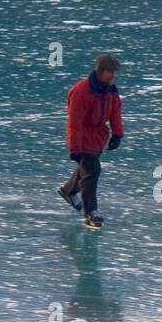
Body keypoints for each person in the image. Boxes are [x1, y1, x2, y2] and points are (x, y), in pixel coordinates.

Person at [59, 54, 123, 229]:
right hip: (83, 135)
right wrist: (75, 148)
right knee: (92, 170)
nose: (113, 75)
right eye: (111, 72)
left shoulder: (111, 90)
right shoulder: (81, 92)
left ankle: (68, 191)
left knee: (86, 169)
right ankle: (91, 213)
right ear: (101, 71)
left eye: (114, 72)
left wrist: (117, 134)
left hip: (98, 136)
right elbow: (75, 123)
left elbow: (115, 111)